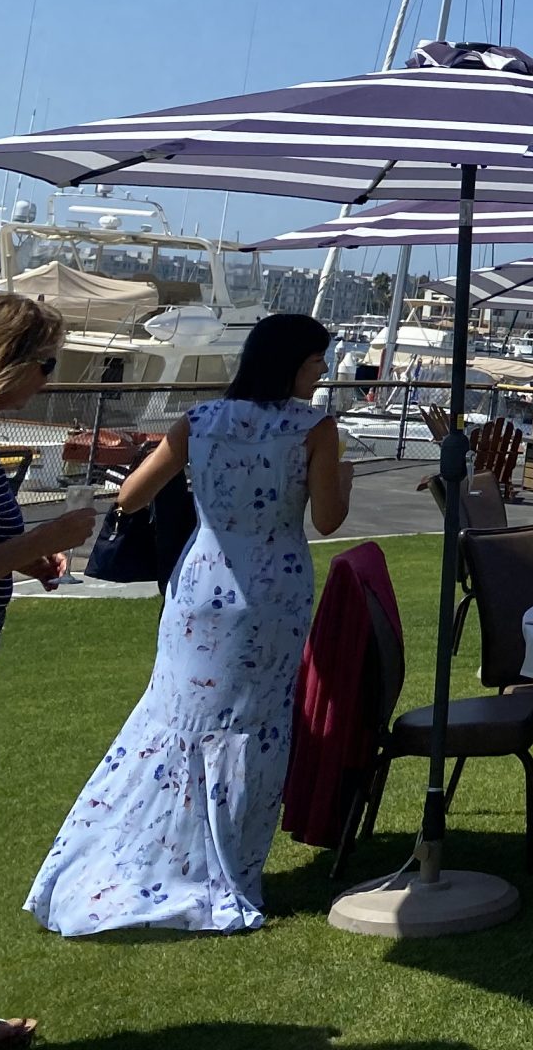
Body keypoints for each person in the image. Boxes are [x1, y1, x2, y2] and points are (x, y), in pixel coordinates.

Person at [25, 313, 353, 936]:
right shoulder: (313, 425)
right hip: (271, 589)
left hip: (200, 584)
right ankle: (224, 867)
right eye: (316, 363)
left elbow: (131, 496)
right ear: (291, 364)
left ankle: (140, 858)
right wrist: (344, 478)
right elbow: (331, 519)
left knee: (172, 723)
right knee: (247, 728)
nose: (320, 375)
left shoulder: (200, 420)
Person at [0, 297, 97, 1050]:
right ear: (5, 359)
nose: (46, 380)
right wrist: (45, 537)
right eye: (46, 364)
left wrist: (23, 556)